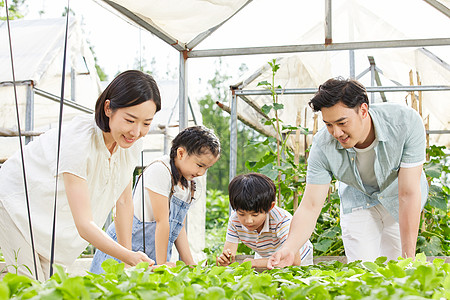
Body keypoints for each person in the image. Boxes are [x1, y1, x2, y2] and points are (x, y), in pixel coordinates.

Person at [0, 70, 161, 280]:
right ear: (108, 108)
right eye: (130, 120)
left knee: (50, 288)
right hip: (15, 204)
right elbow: (85, 224)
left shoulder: (131, 144)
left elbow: (123, 203)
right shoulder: (79, 141)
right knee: (30, 285)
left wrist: (127, 261)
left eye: (146, 123)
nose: (136, 131)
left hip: (48, 222)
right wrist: (129, 257)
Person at [268, 78, 428, 268]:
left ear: (363, 110)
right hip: (358, 199)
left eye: (342, 123)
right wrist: (289, 248)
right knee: (362, 270)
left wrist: (408, 257)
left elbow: (408, 194)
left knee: (398, 267)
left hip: (398, 196)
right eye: (328, 125)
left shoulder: (405, 122)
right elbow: (310, 205)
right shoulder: (322, 146)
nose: (336, 133)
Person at [89, 125, 221, 273]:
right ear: (181, 153)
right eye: (200, 165)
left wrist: (190, 264)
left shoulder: (188, 183)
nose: (201, 172)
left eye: (207, 168)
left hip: (151, 256)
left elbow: (178, 227)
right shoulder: (161, 170)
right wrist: (163, 262)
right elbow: (162, 221)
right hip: (125, 250)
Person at [217, 173, 313, 268]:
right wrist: (225, 260)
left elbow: (294, 262)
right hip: (266, 256)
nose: (248, 221)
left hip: (299, 256)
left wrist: (254, 263)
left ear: (270, 207)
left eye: (255, 214)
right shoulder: (235, 220)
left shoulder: (281, 221)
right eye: (242, 214)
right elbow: (229, 253)